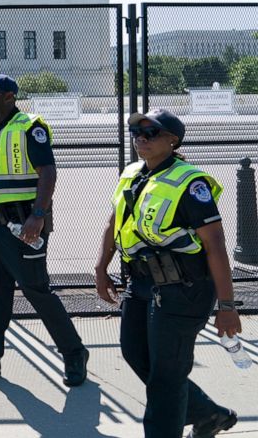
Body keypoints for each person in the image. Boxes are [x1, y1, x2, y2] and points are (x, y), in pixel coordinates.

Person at [95, 109, 241, 438]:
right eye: (137, 132)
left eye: (151, 134)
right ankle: (209, 415)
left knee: (166, 379)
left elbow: (215, 245)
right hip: (142, 282)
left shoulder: (191, 183)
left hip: (184, 289)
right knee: (136, 355)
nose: (141, 139)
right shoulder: (132, 174)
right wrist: (101, 267)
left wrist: (227, 306)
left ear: (173, 141)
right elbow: (113, 222)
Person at [0, 74, 89, 387]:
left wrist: (38, 216)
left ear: (10, 96)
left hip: (22, 226)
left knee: (36, 290)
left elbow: (48, 172)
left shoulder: (29, 126)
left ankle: (74, 353)